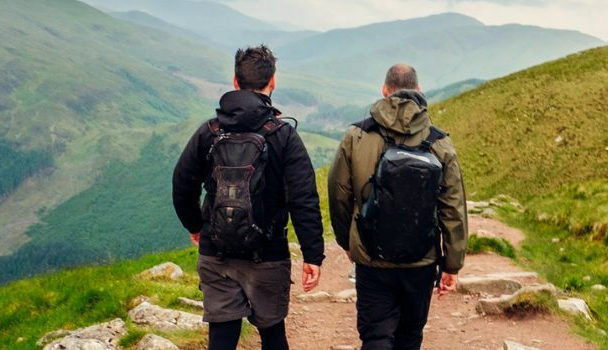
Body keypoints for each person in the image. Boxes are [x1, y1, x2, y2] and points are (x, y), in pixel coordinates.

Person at [171, 45, 324, 350]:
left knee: (222, 334)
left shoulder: (209, 132)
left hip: (217, 251)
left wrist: (196, 226)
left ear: (235, 81)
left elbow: (182, 183)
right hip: (267, 253)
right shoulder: (283, 136)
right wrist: (312, 255)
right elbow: (303, 198)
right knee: (272, 333)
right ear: (273, 82)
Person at [327, 64, 467, 350]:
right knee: (410, 336)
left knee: (375, 336)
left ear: (384, 91)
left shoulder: (356, 136)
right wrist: (452, 263)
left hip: (370, 256)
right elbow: (453, 207)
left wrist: (348, 241)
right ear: (419, 91)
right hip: (422, 260)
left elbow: (338, 194)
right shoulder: (439, 143)